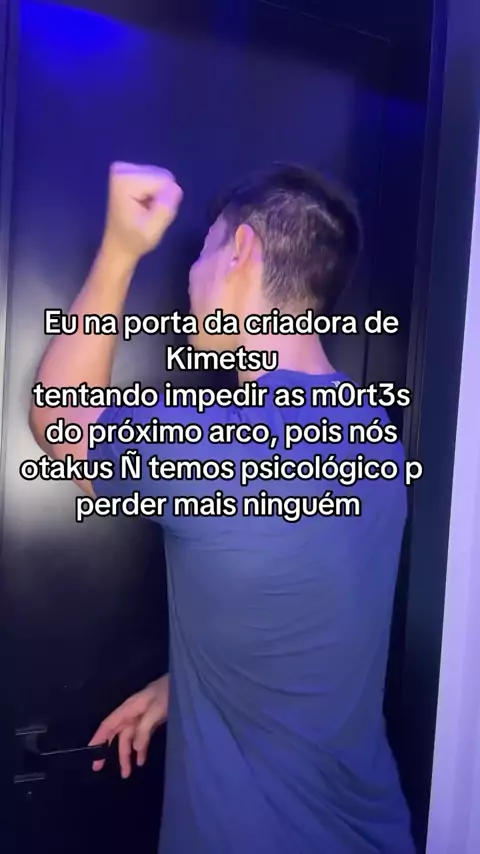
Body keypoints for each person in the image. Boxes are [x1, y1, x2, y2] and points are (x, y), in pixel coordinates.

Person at [29, 162, 415, 854]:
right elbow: (304, 621)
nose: (191, 278)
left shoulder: (220, 444)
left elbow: (60, 422)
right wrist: (187, 682)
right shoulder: (371, 434)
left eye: (204, 251)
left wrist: (120, 249)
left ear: (240, 251)